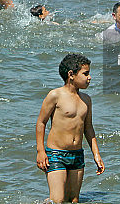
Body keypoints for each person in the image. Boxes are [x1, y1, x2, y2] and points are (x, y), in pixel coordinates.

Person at [35, 53, 104, 204]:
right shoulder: (55, 95)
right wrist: (41, 151)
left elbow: (88, 128)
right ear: (71, 74)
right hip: (56, 154)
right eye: (85, 73)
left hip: (77, 155)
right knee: (58, 200)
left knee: (73, 200)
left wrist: (96, 155)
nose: (89, 77)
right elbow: (41, 123)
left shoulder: (86, 100)